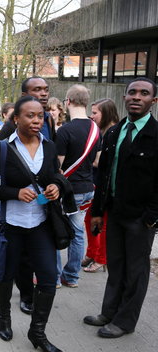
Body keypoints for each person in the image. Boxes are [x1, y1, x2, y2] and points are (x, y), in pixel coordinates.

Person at [0, 96, 68, 352]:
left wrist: (56, 187)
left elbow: (57, 176)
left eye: (40, 115)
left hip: (40, 224)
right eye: (30, 115)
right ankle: (4, 319)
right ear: (16, 118)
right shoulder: (2, 149)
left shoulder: (49, 147)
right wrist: (14, 192)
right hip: (11, 225)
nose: (36, 120)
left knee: (49, 278)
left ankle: (37, 332)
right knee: (6, 275)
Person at [85, 78, 158, 338]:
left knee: (135, 271)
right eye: (132, 93)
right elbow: (103, 177)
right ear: (125, 98)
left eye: (144, 93)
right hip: (113, 213)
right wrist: (97, 212)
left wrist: (151, 219)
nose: (137, 97)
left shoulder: (155, 135)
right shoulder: (114, 133)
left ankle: (125, 321)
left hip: (141, 219)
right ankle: (109, 312)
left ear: (153, 100)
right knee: (115, 265)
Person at [56, 85, 101, 288]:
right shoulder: (95, 129)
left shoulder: (65, 130)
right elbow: (96, 162)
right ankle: (72, 277)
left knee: (56, 230)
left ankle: (55, 276)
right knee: (78, 233)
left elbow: (58, 166)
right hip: (87, 189)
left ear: (68, 102)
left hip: (67, 191)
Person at [82, 98, 119, 273]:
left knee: (102, 224)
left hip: (103, 187)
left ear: (106, 113)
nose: (92, 115)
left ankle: (101, 258)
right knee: (90, 220)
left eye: (95, 112)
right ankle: (92, 253)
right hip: (94, 183)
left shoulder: (114, 133)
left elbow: (104, 163)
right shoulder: (100, 131)